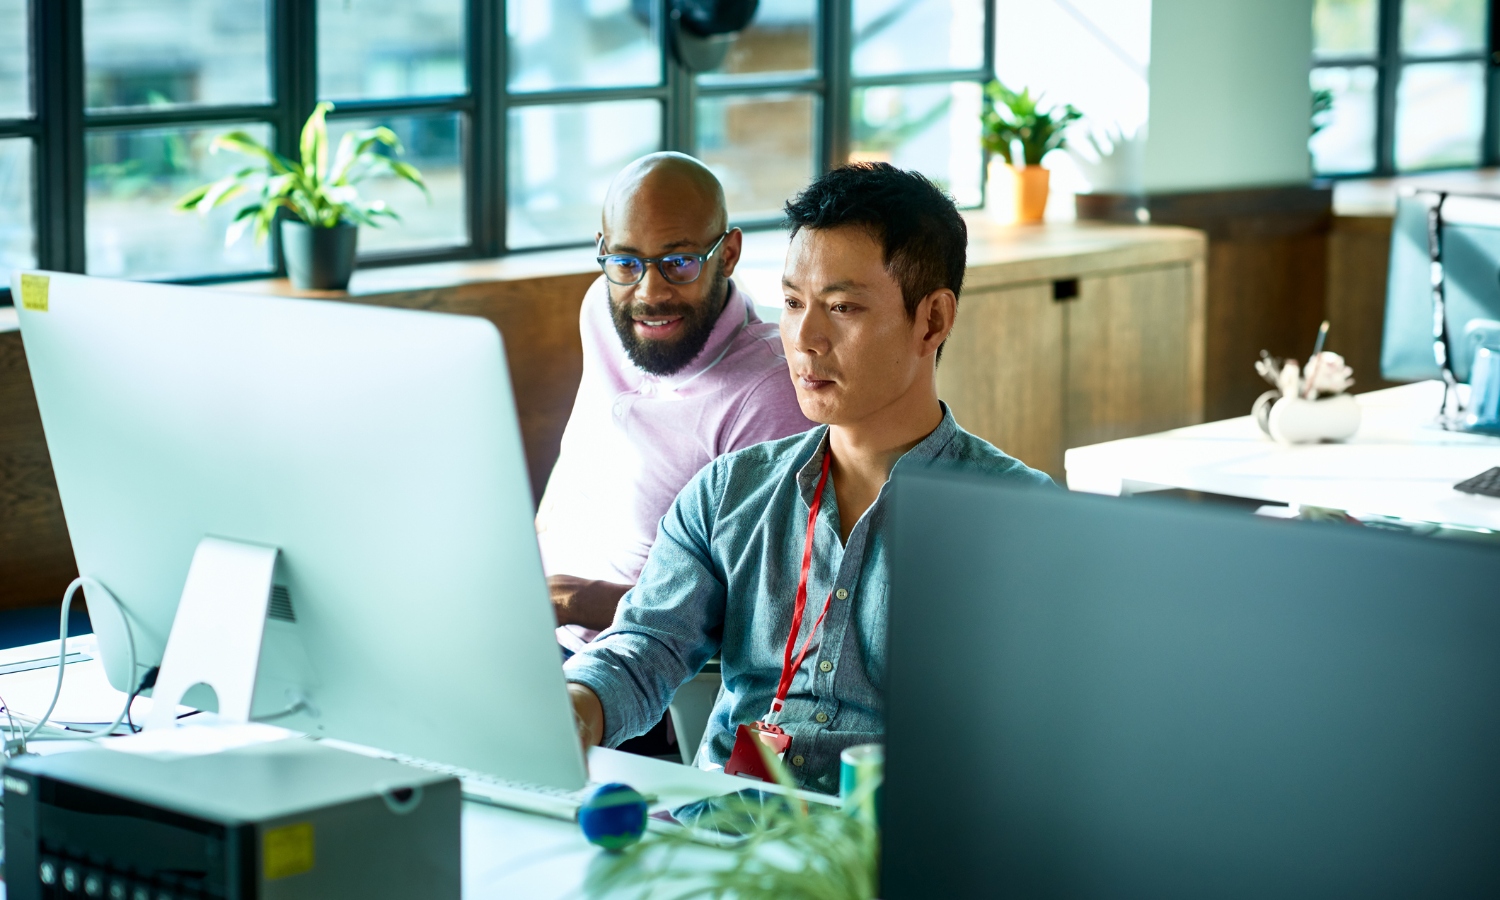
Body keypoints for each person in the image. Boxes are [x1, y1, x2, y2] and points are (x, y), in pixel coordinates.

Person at [563, 162, 1055, 793]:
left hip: (888, 854)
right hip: (727, 837)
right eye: (793, 302)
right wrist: (577, 703)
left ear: (931, 321)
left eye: (842, 307)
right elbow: (646, 645)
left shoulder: (1019, 516)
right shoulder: (727, 493)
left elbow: (1031, 740)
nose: (804, 338)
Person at [536, 152, 813, 650]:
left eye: (678, 262)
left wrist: (572, 601)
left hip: (637, 669)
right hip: (534, 625)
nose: (648, 292)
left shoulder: (769, 393)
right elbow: (577, 460)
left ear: (727, 254)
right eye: (625, 262)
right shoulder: (601, 308)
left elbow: (759, 611)